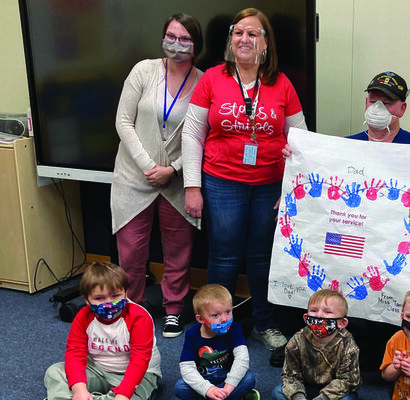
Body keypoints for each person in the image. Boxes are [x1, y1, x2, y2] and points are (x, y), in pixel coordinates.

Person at [182, 7, 307, 352]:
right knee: (223, 256)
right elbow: (192, 134)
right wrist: (192, 187)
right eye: (238, 32)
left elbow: (300, 138)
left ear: (265, 43)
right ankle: (216, 326)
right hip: (222, 181)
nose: (244, 39)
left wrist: (292, 187)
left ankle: (264, 324)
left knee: (262, 257)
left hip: (269, 183)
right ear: (230, 39)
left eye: (253, 33)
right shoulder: (212, 79)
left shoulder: (281, 83)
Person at [112, 13, 204, 338]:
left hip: (176, 181)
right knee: (131, 252)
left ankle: (174, 310)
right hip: (134, 176)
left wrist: (173, 170)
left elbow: (201, 135)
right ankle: (133, 309)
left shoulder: (203, 82)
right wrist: (148, 166)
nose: (176, 44)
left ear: (196, 44)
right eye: (171, 36)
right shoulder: (144, 70)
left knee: (178, 249)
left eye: (184, 39)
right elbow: (123, 121)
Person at [44, 262, 162, 400]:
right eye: (99, 298)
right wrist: (79, 390)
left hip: (138, 375)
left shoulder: (139, 318)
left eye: (115, 296)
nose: (109, 303)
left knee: (132, 394)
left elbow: (139, 361)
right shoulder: (83, 317)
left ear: (125, 292)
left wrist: (123, 395)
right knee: (54, 372)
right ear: (86, 299)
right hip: (97, 369)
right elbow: (75, 354)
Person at [347, 71, 410, 215]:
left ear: (402, 109)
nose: (377, 108)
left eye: (386, 103)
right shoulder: (347, 145)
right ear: (365, 103)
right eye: (373, 101)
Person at [174, 284, 259, 400]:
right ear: (200, 319)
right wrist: (207, 389)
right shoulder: (192, 335)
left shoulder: (234, 328)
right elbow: (187, 367)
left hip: (227, 376)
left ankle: (218, 397)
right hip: (204, 378)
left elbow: (242, 359)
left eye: (228, 312)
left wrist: (228, 387)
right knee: (180, 387)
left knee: (249, 378)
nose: (224, 319)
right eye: (215, 315)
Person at [272, 289, 361, 400]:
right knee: (278, 392)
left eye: (328, 312)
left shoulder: (348, 345)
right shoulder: (297, 340)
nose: (319, 315)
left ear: (342, 323)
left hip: (334, 393)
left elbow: (348, 380)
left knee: (348, 399)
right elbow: (290, 375)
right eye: (314, 310)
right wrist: (298, 396)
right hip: (306, 388)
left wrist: (323, 398)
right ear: (306, 318)